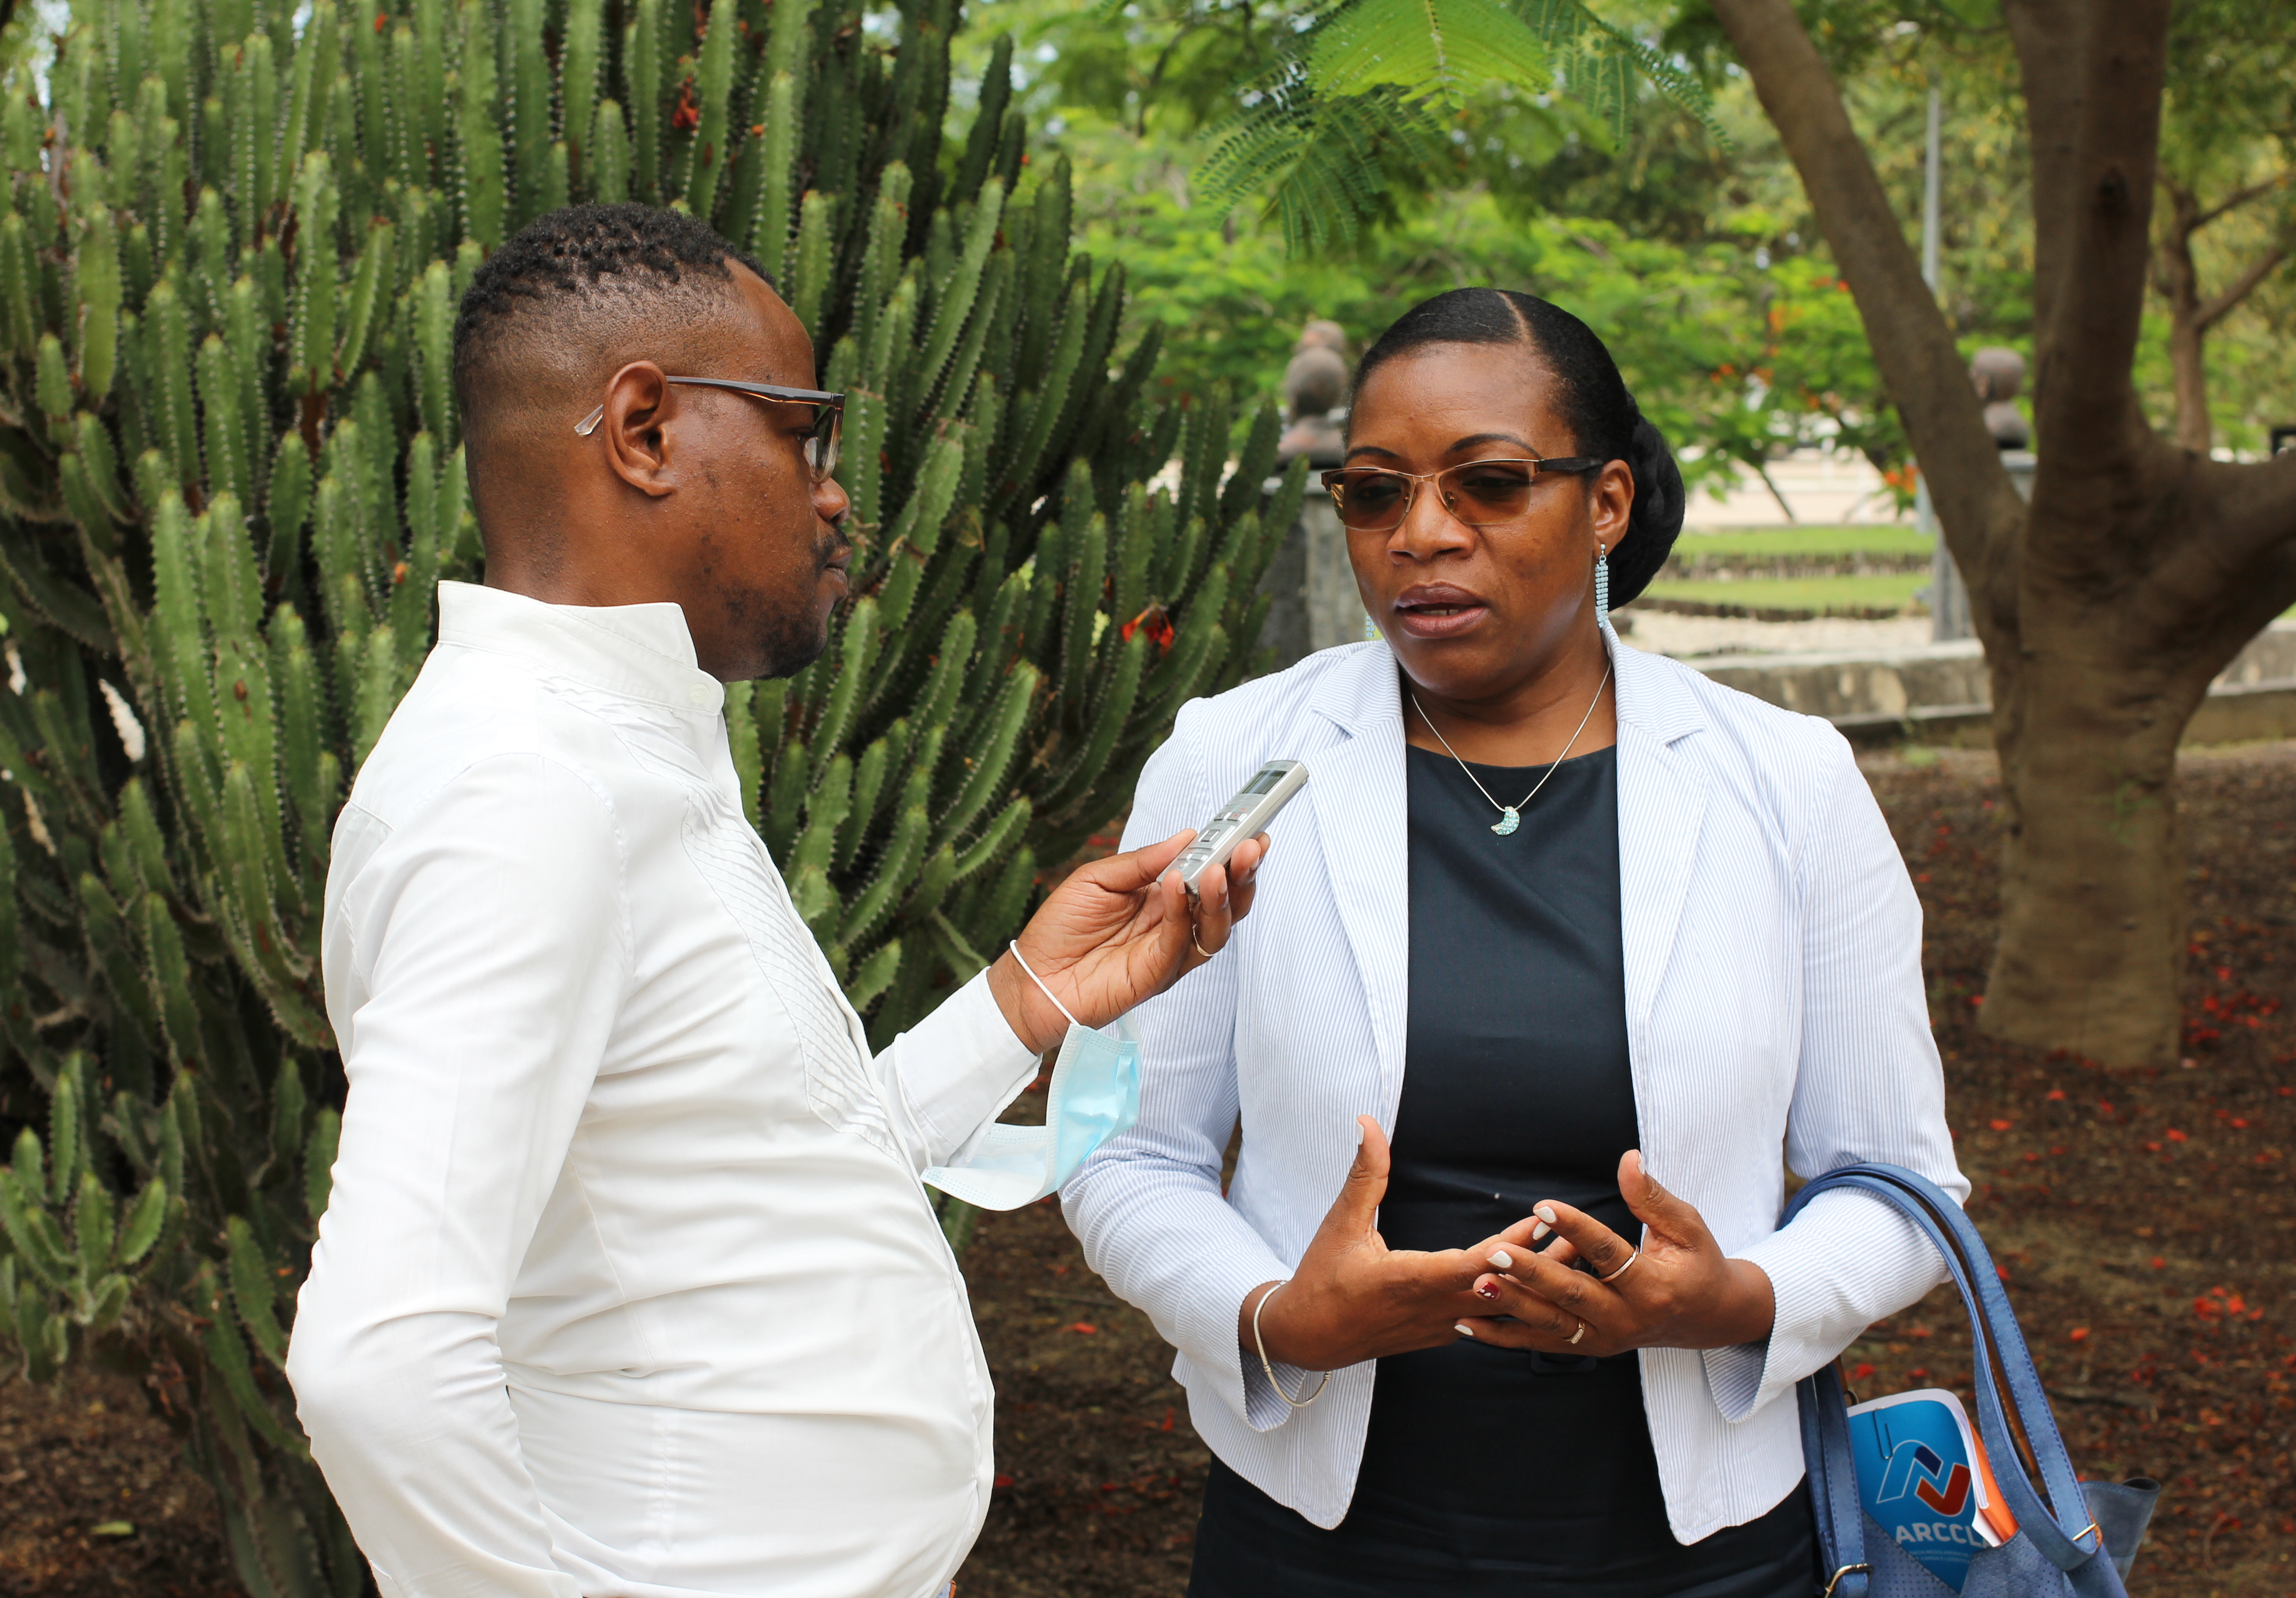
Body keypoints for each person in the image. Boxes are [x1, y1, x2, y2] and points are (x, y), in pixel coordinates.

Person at [283, 203, 1267, 1598]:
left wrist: (1029, 1004)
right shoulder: (524, 792)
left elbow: (748, 1169)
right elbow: (377, 1360)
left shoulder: (614, 744)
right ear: (642, 432)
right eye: (803, 431)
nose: (832, 490)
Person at [1059, 287, 1968, 1598]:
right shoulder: (1238, 764)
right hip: (1320, 1549)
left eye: (1487, 483)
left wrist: (1729, 1301)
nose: (1422, 534)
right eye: (1374, 494)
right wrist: (1273, 1318)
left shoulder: (1786, 782)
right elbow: (1130, 1150)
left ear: (1604, 503)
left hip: (1704, 1557)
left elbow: (1896, 1181)